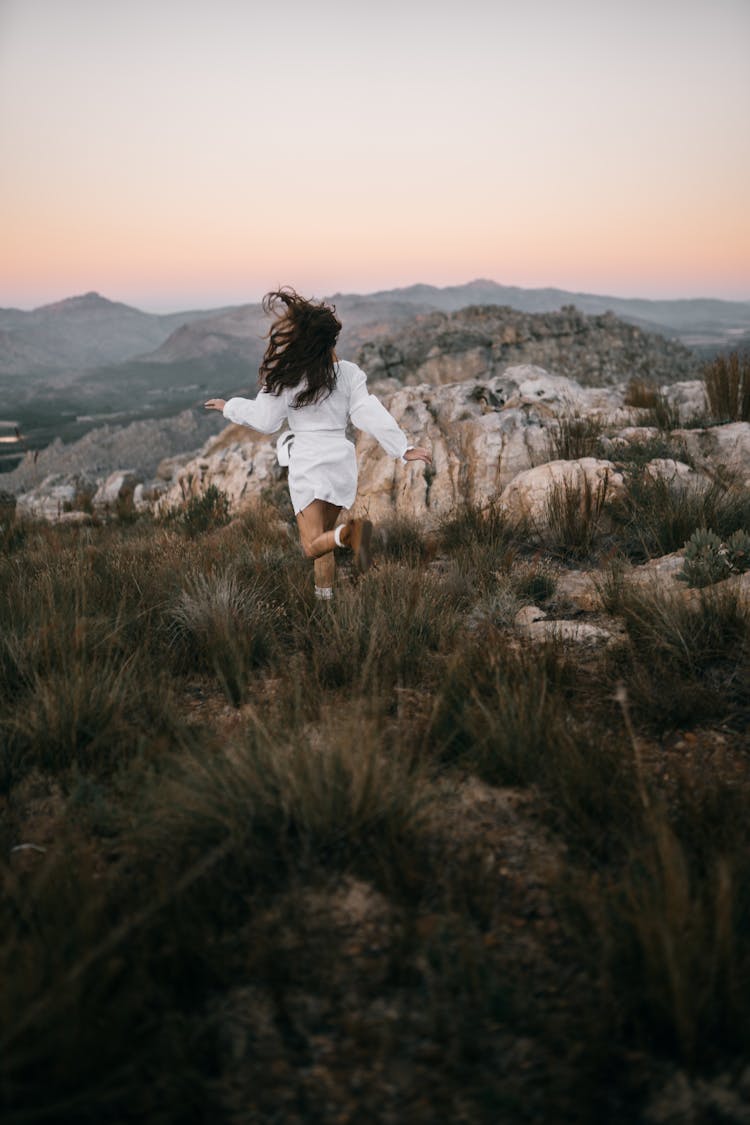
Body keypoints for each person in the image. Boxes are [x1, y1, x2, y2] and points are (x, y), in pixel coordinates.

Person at [204, 288, 432, 599]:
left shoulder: (289, 376)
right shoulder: (349, 373)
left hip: (310, 463)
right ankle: (326, 606)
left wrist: (229, 406)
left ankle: (352, 534)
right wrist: (401, 448)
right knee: (324, 542)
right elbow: (367, 412)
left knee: (311, 547)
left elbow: (266, 420)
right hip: (340, 462)